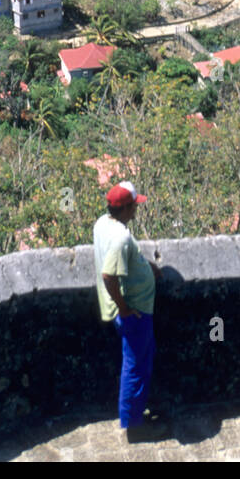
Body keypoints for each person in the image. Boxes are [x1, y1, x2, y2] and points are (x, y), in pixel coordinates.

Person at [93, 181, 165, 441]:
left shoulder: (104, 223)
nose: (137, 209)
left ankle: (135, 415)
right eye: (135, 205)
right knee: (135, 366)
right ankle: (134, 426)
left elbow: (124, 256)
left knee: (141, 358)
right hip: (133, 311)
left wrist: (147, 266)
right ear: (126, 208)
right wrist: (124, 308)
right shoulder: (120, 237)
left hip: (131, 308)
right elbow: (109, 275)